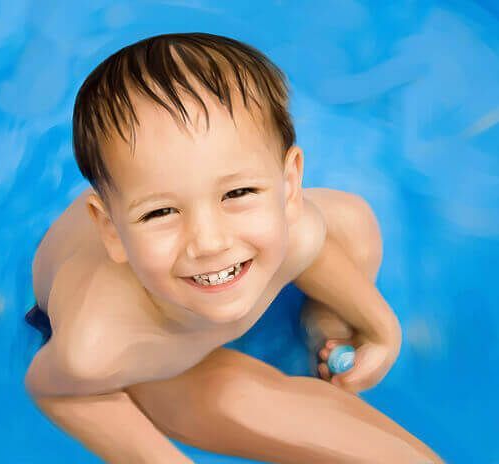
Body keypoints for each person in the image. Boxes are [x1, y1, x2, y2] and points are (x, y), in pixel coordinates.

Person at [24, 32, 444, 463]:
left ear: (289, 185)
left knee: (354, 222)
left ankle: (325, 327)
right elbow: (54, 389)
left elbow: (314, 246)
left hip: (195, 268)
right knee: (235, 401)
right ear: (111, 231)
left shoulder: (294, 232)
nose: (209, 242)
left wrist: (380, 328)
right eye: (160, 213)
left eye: (238, 192)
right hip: (154, 345)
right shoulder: (97, 346)